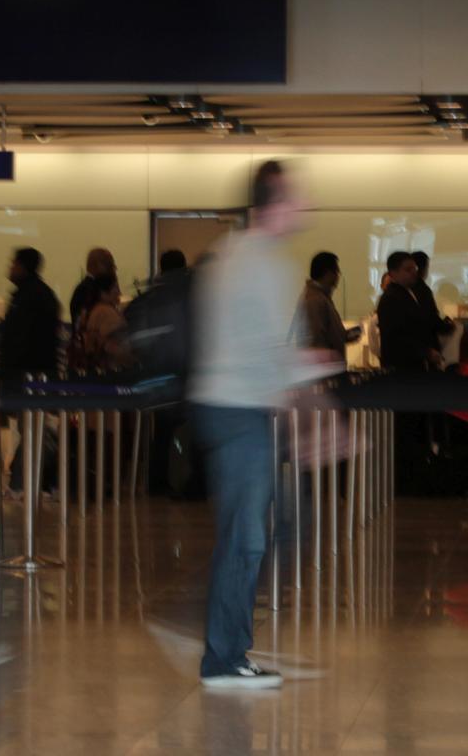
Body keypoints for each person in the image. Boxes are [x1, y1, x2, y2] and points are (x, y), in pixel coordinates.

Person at [191, 161, 327, 688]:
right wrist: (311, 384)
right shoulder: (267, 261)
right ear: (273, 204)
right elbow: (273, 349)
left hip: (222, 406)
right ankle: (224, 658)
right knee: (247, 537)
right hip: (238, 410)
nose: (304, 207)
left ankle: (226, 651)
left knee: (248, 533)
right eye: (296, 197)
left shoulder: (230, 252)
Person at [0, 247, 60, 378]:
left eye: (13, 264)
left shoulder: (27, 296)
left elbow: (20, 337)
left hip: (25, 372)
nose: (10, 268)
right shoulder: (42, 293)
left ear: (22, 267)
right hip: (36, 370)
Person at [377, 251, 440, 373]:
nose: (414, 272)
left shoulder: (407, 292)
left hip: (413, 361)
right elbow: (396, 335)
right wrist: (425, 352)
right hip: (401, 365)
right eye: (408, 269)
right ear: (393, 273)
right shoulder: (391, 298)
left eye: (414, 268)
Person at [72, 277, 134, 374]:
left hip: (95, 368)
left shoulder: (90, 311)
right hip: (112, 369)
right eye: (116, 289)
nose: (119, 293)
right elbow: (118, 342)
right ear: (103, 293)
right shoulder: (106, 312)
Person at [301, 251, 349, 362]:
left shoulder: (321, 296)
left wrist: (344, 335)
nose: (338, 276)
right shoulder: (315, 300)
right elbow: (317, 339)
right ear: (328, 274)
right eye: (336, 272)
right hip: (326, 370)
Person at [70, 248, 117, 337]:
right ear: (98, 265)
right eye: (109, 264)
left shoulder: (84, 287)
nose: (114, 268)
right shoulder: (87, 289)